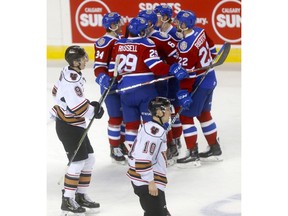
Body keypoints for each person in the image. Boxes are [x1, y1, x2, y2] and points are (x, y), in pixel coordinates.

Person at [108, 17, 188, 149]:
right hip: (145, 90)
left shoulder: (118, 44)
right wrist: (172, 69)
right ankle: (156, 154)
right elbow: (156, 67)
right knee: (151, 125)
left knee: (131, 126)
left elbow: (112, 71)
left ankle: (132, 158)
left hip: (125, 91)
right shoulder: (147, 43)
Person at [50, 45, 104, 215]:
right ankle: (68, 199)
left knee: (89, 159)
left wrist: (87, 104)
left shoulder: (67, 70)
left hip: (74, 124)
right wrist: (94, 111)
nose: (86, 60)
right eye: (83, 58)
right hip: (69, 126)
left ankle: (80, 195)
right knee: (78, 162)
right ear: (75, 62)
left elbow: (56, 91)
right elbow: (78, 108)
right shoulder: (72, 80)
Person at [173, 11, 222, 168]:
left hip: (199, 82)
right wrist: (210, 57)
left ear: (184, 25)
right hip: (210, 77)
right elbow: (212, 46)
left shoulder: (185, 45)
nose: (175, 23)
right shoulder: (200, 30)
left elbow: (187, 74)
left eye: (178, 21)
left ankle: (192, 155)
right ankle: (215, 148)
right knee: (204, 114)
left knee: (186, 118)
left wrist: (183, 92)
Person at [137, 9, 180, 165]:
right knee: (147, 117)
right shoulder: (136, 37)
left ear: (149, 23)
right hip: (144, 83)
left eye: (142, 21)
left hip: (159, 82)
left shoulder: (160, 37)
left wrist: (172, 68)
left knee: (161, 114)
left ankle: (170, 146)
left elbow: (176, 55)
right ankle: (152, 147)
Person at [126, 97, 172, 216]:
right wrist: (150, 182)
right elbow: (143, 158)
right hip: (145, 181)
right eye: (167, 109)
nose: (170, 112)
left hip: (147, 178)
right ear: (158, 112)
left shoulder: (151, 126)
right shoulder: (154, 133)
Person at [94, 12, 127, 164]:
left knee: (125, 117)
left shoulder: (121, 39)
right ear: (112, 26)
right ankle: (114, 148)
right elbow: (99, 67)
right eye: (118, 23)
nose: (121, 25)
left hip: (123, 84)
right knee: (115, 118)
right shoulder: (104, 42)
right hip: (111, 87)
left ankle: (122, 143)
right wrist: (103, 78)